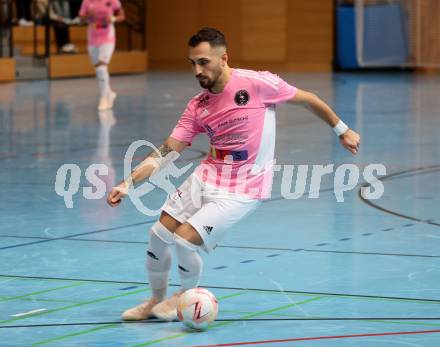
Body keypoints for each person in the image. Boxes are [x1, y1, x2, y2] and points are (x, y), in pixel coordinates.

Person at [107, 27, 361, 322]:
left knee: (184, 241)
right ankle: (155, 300)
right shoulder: (198, 106)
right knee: (158, 235)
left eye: (204, 62)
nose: (197, 70)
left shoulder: (257, 84)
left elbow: (308, 99)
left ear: (223, 58)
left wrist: (342, 130)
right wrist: (129, 183)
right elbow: (168, 150)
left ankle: (184, 297)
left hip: (245, 188)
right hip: (208, 175)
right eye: (192, 63)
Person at [79, 0, 125, 111]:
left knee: (101, 66)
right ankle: (109, 93)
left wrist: (113, 19)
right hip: (93, 37)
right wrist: (88, 15)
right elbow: (81, 19)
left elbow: (122, 16)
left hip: (107, 36)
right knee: (98, 68)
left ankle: (104, 97)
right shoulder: (87, 2)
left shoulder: (112, 1)